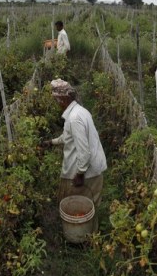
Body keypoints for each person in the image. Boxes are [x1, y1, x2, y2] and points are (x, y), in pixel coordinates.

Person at [40, 79, 107, 209]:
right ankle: (91, 229)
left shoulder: (74, 119)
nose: (56, 104)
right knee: (89, 210)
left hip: (87, 175)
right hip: (94, 170)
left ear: (63, 99)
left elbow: (84, 151)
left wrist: (80, 174)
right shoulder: (80, 111)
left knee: (76, 209)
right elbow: (68, 136)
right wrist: (51, 142)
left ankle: (82, 230)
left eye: (56, 100)